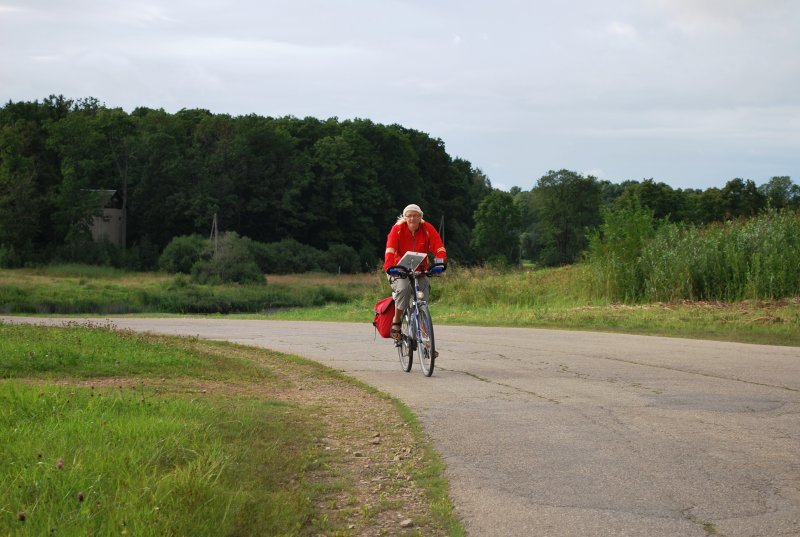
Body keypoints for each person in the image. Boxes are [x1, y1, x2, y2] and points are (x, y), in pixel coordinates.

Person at [383, 203, 447, 340]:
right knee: (404, 288)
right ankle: (396, 320)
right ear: (404, 217)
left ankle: (426, 342)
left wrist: (440, 263)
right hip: (398, 269)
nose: (412, 218)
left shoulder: (427, 228)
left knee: (423, 298)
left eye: (416, 216)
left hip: (419, 270)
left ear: (420, 217)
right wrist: (389, 266)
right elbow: (390, 249)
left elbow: (438, 247)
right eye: (409, 216)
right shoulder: (397, 229)